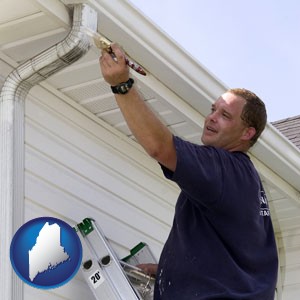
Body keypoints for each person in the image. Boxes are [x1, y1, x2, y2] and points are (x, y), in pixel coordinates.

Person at [100, 44, 278, 300]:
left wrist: (121, 85)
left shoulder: (224, 170)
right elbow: (233, 260)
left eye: (225, 115)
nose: (212, 118)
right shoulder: (242, 181)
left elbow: (161, 147)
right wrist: (170, 271)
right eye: (212, 109)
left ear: (247, 133)